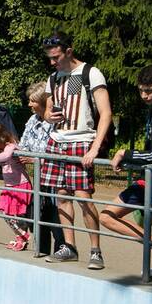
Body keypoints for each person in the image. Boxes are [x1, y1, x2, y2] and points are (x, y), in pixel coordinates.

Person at [102, 65, 152, 274]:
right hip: (149, 177)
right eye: (141, 90)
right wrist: (132, 160)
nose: (144, 96)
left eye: (149, 91)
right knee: (106, 216)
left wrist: (127, 154)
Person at [40, 33, 113, 269]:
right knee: (61, 197)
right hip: (57, 141)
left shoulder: (90, 73)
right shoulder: (53, 78)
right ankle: (69, 246)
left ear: (69, 51)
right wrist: (48, 116)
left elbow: (106, 114)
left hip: (82, 141)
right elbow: (47, 112)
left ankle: (96, 250)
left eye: (56, 57)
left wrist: (95, 147)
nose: (53, 62)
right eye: (49, 58)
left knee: (83, 198)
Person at [18, 81, 64, 256]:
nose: (29, 104)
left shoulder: (55, 123)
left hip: (54, 177)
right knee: (37, 215)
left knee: (55, 216)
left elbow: (56, 153)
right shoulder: (32, 120)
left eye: (32, 101)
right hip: (38, 177)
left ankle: (61, 248)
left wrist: (33, 158)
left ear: (43, 101)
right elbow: (23, 145)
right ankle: (41, 250)